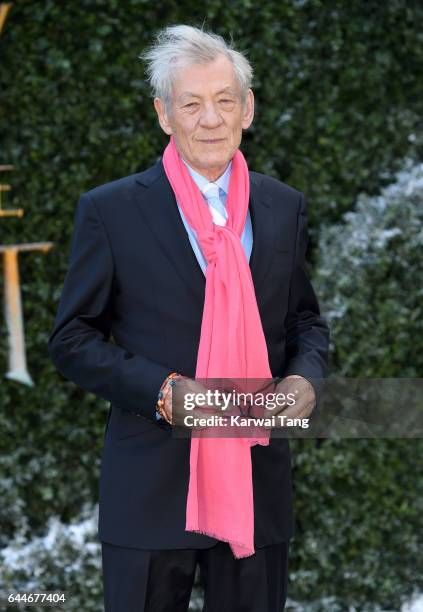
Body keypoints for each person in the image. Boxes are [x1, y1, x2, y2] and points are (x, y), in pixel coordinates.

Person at [48, 24, 330, 612]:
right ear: (163, 114)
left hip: (255, 485)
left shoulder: (283, 206)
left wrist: (306, 378)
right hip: (152, 491)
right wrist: (162, 390)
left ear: (247, 108)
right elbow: (73, 338)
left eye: (225, 100)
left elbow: (304, 320)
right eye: (191, 103)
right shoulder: (110, 210)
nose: (210, 119)